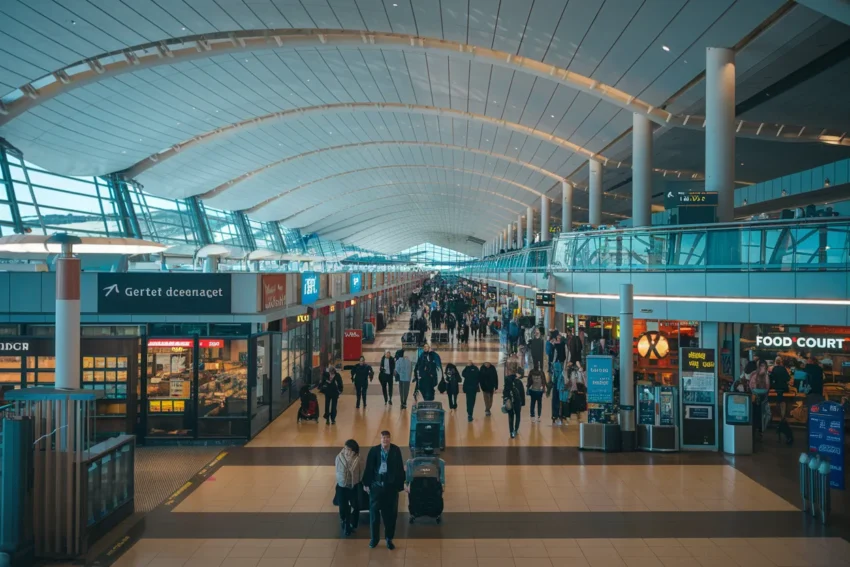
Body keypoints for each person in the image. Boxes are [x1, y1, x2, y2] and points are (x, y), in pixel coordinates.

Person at [362, 431, 406, 550]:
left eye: (387, 438)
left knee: (390, 515)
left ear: (390, 439)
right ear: (380, 439)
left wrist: (401, 485)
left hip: (390, 487)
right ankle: (374, 539)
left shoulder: (395, 450)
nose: (385, 440)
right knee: (374, 514)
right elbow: (369, 467)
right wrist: (366, 483)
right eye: (383, 438)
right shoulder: (374, 450)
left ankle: (389, 539)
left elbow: (400, 468)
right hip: (376, 486)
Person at [335, 439, 365, 536]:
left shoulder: (359, 458)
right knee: (343, 507)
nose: (347, 451)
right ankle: (344, 522)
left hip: (354, 486)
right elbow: (337, 470)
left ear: (354, 450)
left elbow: (362, 471)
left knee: (355, 506)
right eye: (345, 449)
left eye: (349, 449)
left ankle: (351, 524)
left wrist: (359, 482)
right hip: (342, 486)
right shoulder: (339, 457)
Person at [770, 357, 793, 444]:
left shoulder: (774, 369)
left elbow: (772, 379)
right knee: (784, 402)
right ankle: (783, 418)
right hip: (784, 389)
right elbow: (788, 379)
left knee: (779, 401)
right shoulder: (783, 369)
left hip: (776, 389)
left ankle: (779, 417)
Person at [503, 363, 525, 439]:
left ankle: (511, 431)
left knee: (511, 416)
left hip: (509, 400)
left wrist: (504, 401)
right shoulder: (519, 381)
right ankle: (516, 429)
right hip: (518, 401)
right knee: (518, 415)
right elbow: (522, 393)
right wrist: (523, 403)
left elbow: (505, 391)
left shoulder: (507, 380)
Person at [550, 360, 567, 426]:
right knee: (561, 402)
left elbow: (553, 379)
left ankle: (555, 416)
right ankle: (561, 416)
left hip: (557, 387)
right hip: (561, 388)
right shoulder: (561, 372)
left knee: (555, 401)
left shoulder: (555, 371)